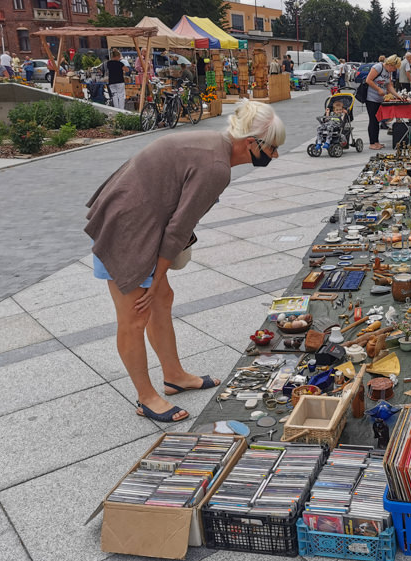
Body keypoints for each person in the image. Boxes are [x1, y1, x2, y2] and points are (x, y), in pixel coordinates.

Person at [84, 101, 285, 423]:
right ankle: (146, 397)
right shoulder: (217, 167)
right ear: (251, 143)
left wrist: (158, 280)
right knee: (134, 317)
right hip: (127, 229)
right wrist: (156, 273)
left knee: (162, 299)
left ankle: (174, 375)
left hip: (140, 219)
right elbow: (178, 229)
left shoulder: (214, 146)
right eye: (272, 148)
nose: (274, 156)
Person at [364, 54, 403, 150]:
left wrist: (397, 95)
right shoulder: (378, 67)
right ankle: (372, 143)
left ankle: (376, 142)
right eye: (394, 68)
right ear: (390, 64)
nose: (394, 70)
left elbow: (389, 85)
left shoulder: (388, 72)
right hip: (371, 98)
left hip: (379, 99)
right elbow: (368, 80)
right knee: (373, 120)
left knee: (377, 120)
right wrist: (378, 89)